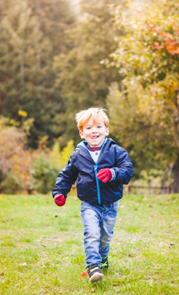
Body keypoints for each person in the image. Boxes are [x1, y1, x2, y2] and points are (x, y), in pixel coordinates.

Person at [52, 107, 133, 283]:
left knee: (105, 236)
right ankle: (93, 267)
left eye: (98, 126)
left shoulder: (116, 151)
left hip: (110, 204)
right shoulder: (78, 155)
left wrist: (113, 173)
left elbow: (127, 170)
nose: (93, 130)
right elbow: (66, 175)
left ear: (106, 130)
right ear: (82, 133)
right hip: (89, 204)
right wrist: (60, 192)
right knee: (92, 233)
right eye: (88, 128)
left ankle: (103, 258)